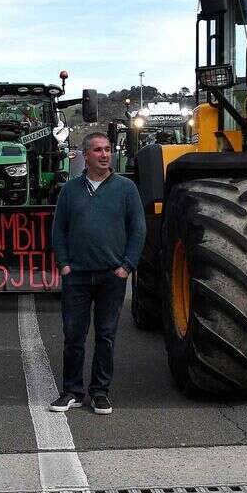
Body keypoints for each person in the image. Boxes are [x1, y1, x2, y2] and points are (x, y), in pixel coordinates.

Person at [50, 131, 145, 415]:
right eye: (98, 150)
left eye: (107, 150)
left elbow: (138, 229)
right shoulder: (70, 190)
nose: (104, 155)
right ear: (85, 155)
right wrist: (64, 264)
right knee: (73, 335)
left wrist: (126, 266)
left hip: (110, 277)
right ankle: (72, 391)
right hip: (77, 276)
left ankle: (100, 392)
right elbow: (59, 230)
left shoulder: (126, 188)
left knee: (105, 335)